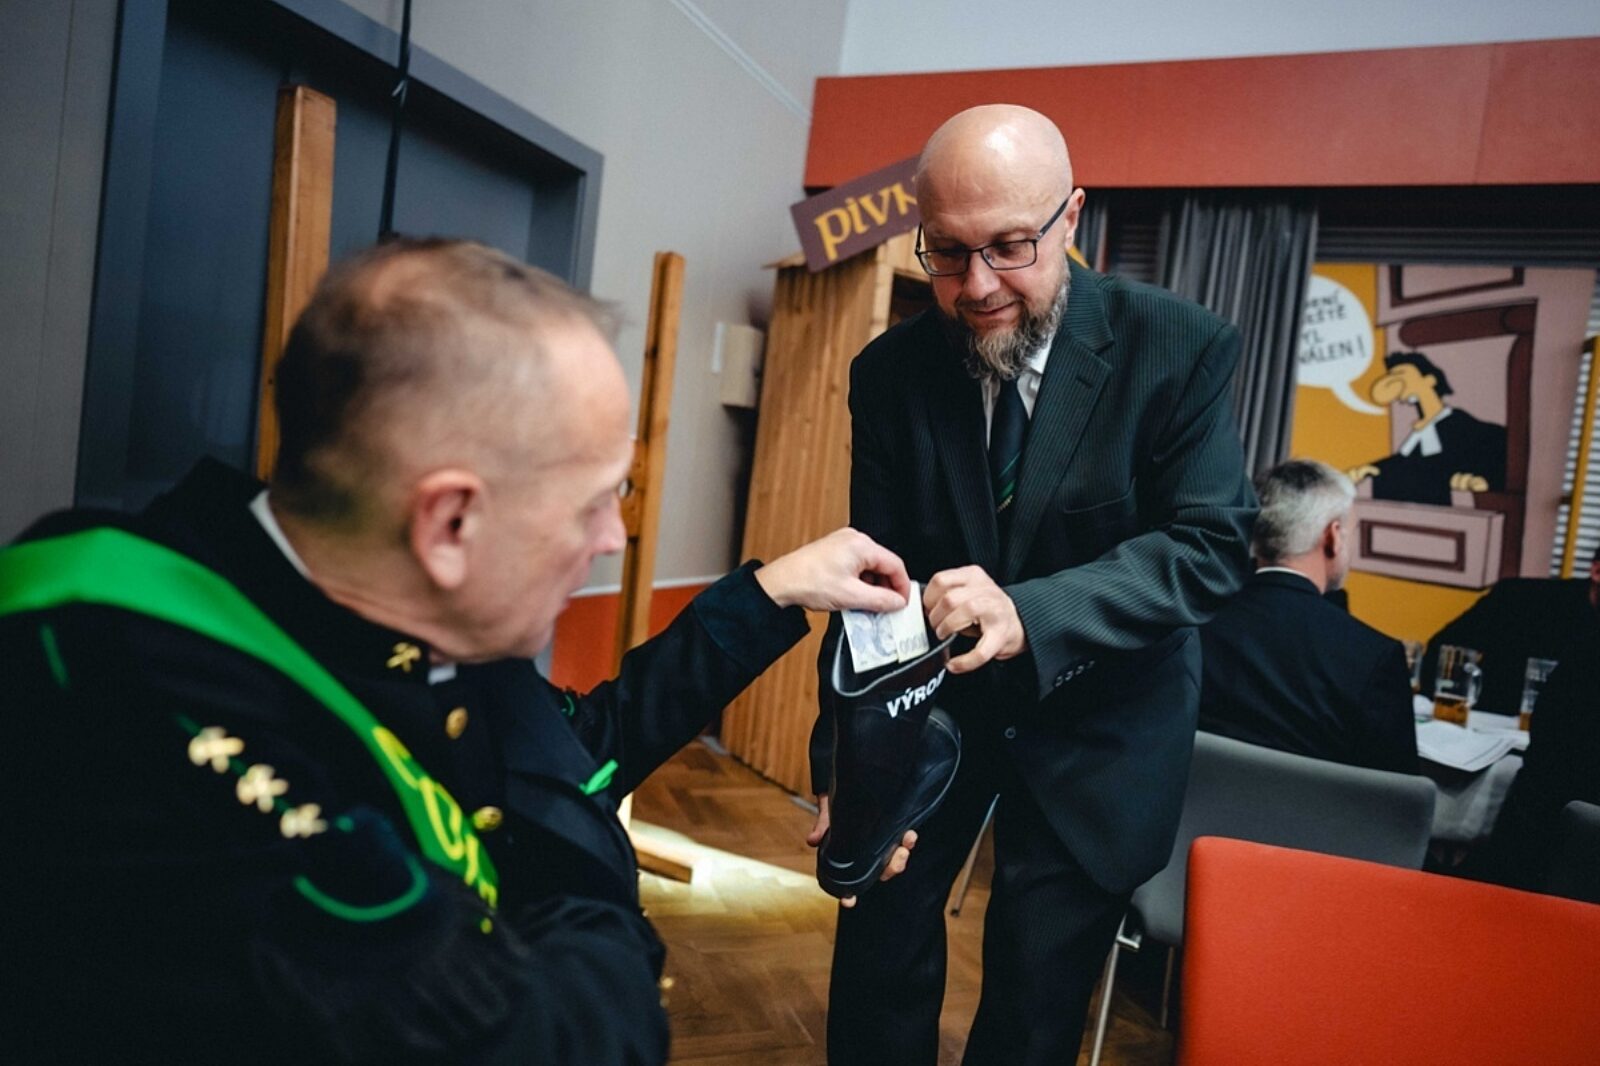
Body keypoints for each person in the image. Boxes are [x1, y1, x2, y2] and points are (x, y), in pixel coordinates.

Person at [0, 238, 912, 1065]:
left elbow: (565, 759)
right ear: (450, 523)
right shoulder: (118, 689)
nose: (612, 537)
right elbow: (552, 1033)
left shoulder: (389, 602)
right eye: (596, 499)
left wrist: (770, 592)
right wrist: (604, 890)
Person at [808, 105, 1256, 1065]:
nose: (977, 287)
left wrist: (1033, 611)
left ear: (1072, 217)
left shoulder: (1178, 347)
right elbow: (871, 587)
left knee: (1032, 1012)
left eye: (1011, 247)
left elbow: (1212, 545)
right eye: (947, 252)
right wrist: (848, 766)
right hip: (935, 714)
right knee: (877, 962)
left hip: (1102, 730)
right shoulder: (888, 374)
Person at [1198, 459, 1418, 773]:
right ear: (1334, 536)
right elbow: (1395, 793)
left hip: (1195, 802)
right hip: (1314, 808)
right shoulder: (1374, 657)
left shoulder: (1198, 621)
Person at [1419, 543, 1600, 715]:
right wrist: (1445, 712)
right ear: (1596, 571)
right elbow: (1446, 651)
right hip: (1490, 723)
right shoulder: (1522, 599)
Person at [1346, 350, 1506, 506]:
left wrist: (1477, 480)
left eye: (1401, 374)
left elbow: (1489, 450)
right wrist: (1372, 468)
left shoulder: (1463, 426)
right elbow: (1403, 463)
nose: (1395, 383)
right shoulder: (1420, 431)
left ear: (1429, 380)